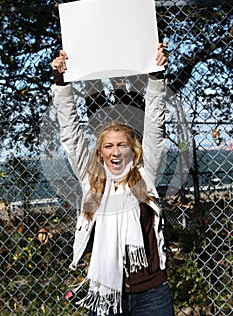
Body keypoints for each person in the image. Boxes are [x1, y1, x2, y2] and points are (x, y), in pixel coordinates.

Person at [50, 44, 174, 316]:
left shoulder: (145, 175)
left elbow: (154, 125)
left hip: (151, 293)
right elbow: (71, 135)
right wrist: (61, 82)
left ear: (133, 150)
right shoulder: (91, 177)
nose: (115, 152)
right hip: (105, 291)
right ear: (100, 151)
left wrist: (156, 77)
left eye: (122, 145)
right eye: (108, 146)